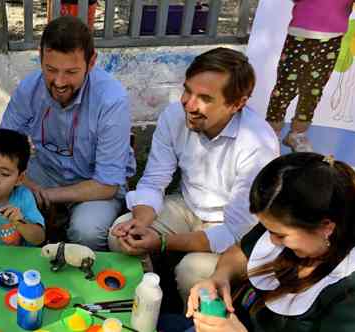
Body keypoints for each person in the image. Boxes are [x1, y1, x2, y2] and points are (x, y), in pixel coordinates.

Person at [109, 48, 280, 301]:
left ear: (237, 104)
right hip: (187, 205)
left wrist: (163, 242)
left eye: (205, 98)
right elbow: (155, 179)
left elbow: (235, 231)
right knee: (121, 235)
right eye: (187, 90)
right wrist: (142, 221)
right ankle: (145, 303)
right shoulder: (175, 116)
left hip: (233, 228)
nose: (189, 104)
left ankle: (192, 322)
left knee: (193, 273)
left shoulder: (258, 143)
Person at [0, 16, 135, 251]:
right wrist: (29, 184)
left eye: (71, 72)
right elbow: (5, 147)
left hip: (92, 183)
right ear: (40, 56)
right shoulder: (30, 87)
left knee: (87, 232)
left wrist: (45, 195)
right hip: (45, 171)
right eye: (50, 69)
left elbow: (107, 184)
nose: (59, 82)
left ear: (91, 62)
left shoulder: (111, 101)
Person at [184, 153, 355, 332]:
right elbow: (241, 252)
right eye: (267, 229)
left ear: (326, 227)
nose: (271, 240)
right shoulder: (282, 217)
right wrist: (220, 277)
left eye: (280, 235)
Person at [266, 0, 355, 152]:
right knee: (285, 88)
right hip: (301, 34)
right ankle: (270, 133)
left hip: (332, 39)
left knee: (313, 90)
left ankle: (298, 134)